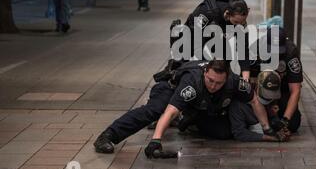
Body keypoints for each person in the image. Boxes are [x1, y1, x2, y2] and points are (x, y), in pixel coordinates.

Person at [93, 60, 254, 158]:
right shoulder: (192, 81)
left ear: (226, 78)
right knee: (156, 110)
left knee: (224, 132)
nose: (214, 85)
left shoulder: (232, 81)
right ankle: (108, 136)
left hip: (197, 104)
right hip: (169, 89)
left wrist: (269, 126)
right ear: (205, 72)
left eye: (219, 83)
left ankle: (188, 121)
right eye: (210, 80)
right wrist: (156, 141)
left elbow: (255, 101)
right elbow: (171, 110)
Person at [247, 27, 303, 135]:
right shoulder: (255, 49)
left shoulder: (291, 52)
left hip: (282, 90)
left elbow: (295, 90)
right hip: (259, 90)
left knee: (293, 124)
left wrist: (285, 120)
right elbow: (247, 82)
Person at [229, 70, 291, 142]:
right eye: (266, 95)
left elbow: (271, 121)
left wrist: (279, 128)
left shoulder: (270, 101)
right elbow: (239, 133)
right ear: (257, 87)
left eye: (271, 96)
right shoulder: (238, 104)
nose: (269, 99)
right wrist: (269, 138)